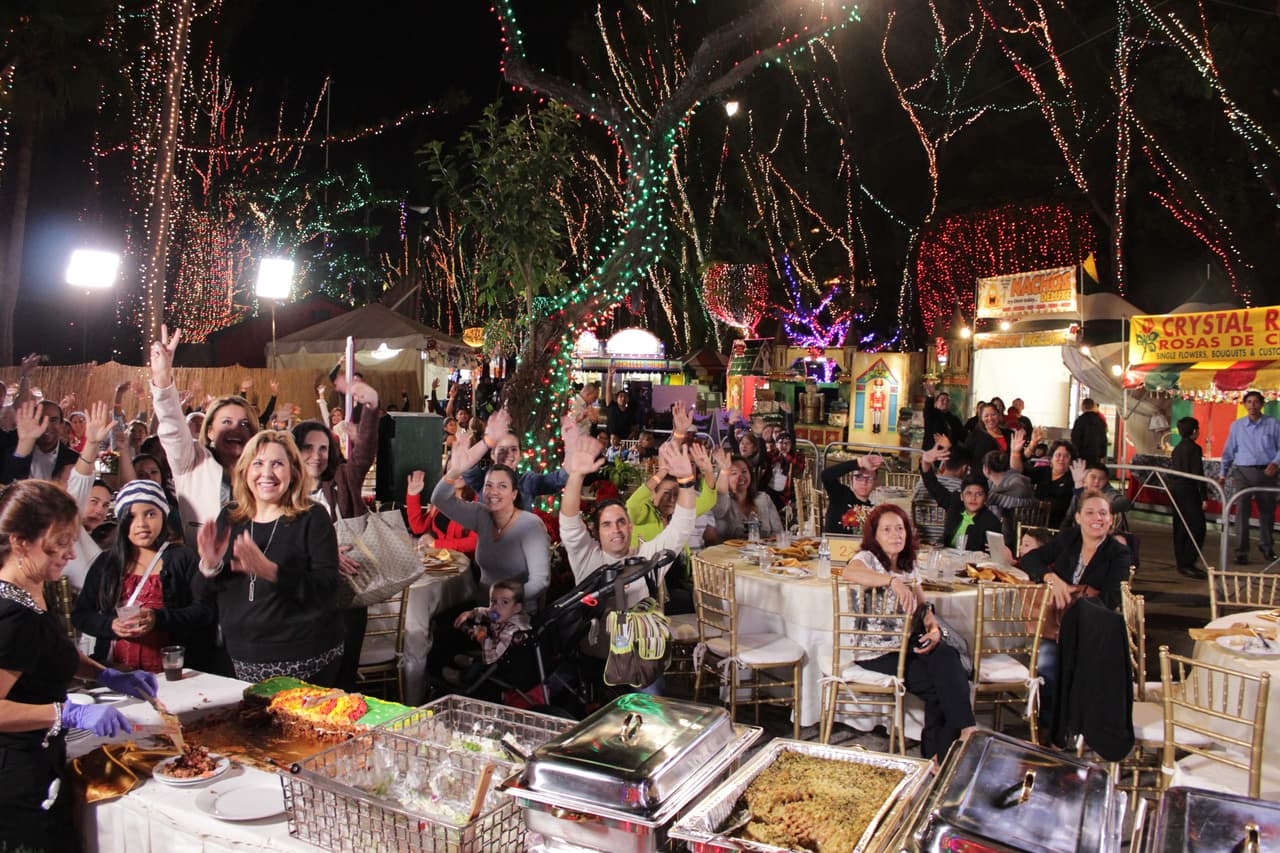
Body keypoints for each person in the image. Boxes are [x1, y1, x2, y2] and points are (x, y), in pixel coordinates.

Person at [0, 480, 158, 852]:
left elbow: (50, 652)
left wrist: (104, 674)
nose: (71, 554)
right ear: (21, 542)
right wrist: (65, 713)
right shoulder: (10, 617)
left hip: (44, 758)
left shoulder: (31, 589)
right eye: (59, 543)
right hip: (17, 776)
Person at [195, 431, 344, 685]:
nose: (267, 473)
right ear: (244, 470)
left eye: (277, 464)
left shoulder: (312, 517)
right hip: (240, 659)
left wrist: (272, 572)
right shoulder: (231, 517)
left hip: (305, 659)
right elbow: (201, 595)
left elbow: (328, 589)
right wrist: (209, 566)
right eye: (258, 463)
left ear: (294, 472)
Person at [839, 504, 977, 763]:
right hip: (875, 650)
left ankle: (941, 753)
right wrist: (892, 581)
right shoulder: (867, 558)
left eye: (900, 528)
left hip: (907, 642)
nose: (895, 535)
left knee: (947, 657)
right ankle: (952, 743)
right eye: (887, 530)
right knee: (944, 683)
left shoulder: (908, 564)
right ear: (875, 535)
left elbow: (924, 607)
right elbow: (850, 571)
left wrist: (934, 629)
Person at [73, 479, 217, 673]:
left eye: (150, 514)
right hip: (118, 670)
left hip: (174, 671)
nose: (141, 524)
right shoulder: (107, 563)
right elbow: (81, 615)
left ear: (163, 516)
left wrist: (158, 618)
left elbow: (205, 611)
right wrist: (111, 625)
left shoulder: (182, 557)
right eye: (131, 517)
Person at [1020, 490, 1131, 732]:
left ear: (1111, 519)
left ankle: (1062, 730)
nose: (1097, 518)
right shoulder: (1069, 539)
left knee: (1059, 661)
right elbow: (1030, 560)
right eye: (1090, 512)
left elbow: (1112, 598)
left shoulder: (1118, 553)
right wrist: (1051, 578)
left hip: (1092, 627)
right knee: (1046, 661)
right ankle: (1047, 729)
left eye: (1103, 513)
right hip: (1057, 624)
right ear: (1079, 517)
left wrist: (1074, 592)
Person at [292, 391, 381, 692]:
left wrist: (370, 407)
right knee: (310, 680)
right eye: (307, 448)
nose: (316, 456)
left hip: (349, 596)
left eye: (323, 448)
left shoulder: (341, 479)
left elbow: (365, 454)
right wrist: (326, 556)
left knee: (345, 675)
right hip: (306, 603)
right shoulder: (279, 494)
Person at [151, 326, 261, 547]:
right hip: (200, 571)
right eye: (226, 422)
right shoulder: (190, 462)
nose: (235, 430)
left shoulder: (262, 470)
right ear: (209, 430)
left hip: (253, 570)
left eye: (244, 424)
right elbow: (172, 426)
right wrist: (162, 380)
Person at [430, 430, 551, 608]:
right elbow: (439, 499)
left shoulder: (531, 525)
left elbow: (540, 581)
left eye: (502, 486)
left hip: (518, 615)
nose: (494, 492)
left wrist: (503, 604)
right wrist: (455, 471)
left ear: (514, 493)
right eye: (489, 485)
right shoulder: (481, 514)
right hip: (480, 610)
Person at [453, 409, 569, 513]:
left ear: (521, 455)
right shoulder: (482, 478)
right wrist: (487, 441)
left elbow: (557, 480)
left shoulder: (527, 481)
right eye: (502, 449)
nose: (508, 454)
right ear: (493, 454)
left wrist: (572, 456)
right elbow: (466, 469)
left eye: (513, 449)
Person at [1218, 390, 1280, 564]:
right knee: (1242, 512)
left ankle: (1266, 546)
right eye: (1249, 402)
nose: (1252, 406)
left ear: (1262, 404)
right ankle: (1241, 551)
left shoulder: (1273, 424)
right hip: (1242, 472)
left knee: (1266, 512)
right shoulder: (1237, 426)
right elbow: (1228, 451)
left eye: (1256, 402)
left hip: (1266, 473)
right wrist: (1223, 473)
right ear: (1244, 405)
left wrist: (1275, 462)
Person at [445, 579, 530, 686]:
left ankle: (462, 678)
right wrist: (471, 613)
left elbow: (492, 656)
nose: (496, 608)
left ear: (517, 607)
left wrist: (481, 636)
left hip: (503, 663)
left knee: (480, 667)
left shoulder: (511, 632)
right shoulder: (510, 613)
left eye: (504, 602)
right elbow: (488, 611)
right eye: (493, 601)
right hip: (501, 652)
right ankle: (472, 660)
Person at [920, 447, 1002, 551]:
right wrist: (925, 462)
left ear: (985, 497)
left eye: (979, 494)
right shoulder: (955, 504)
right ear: (962, 496)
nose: (973, 498)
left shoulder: (991, 522)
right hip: (945, 558)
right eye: (968, 493)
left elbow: (994, 554)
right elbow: (932, 485)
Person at [406, 470, 478, 557]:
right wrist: (413, 495)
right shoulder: (441, 498)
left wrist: (436, 544)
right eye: (453, 469)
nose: (458, 474)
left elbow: (474, 542)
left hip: (461, 564)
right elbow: (418, 528)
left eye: (463, 468)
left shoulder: (479, 502)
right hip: (437, 559)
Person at [1169, 417, 1208, 579]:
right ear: (1194, 431)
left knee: (1181, 527)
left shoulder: (1176, 449)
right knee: (1198, 527)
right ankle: (1188, 562)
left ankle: (1182, 562)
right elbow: (1198, 473)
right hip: (1189, 490)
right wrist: (1204, 496)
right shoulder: (1194, 449)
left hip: (1176, 490)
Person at [1011, 432, 1076, 528]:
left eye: (1066, 456)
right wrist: (1015, 452)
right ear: (1051, 458)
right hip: (1034, 521)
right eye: (1058, 455)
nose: (1061, 459)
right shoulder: (1044, 472)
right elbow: (1019, 470)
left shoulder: (1073, 479)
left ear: (1070, 461)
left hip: (1058, 525)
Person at [713, 454, 783, 540]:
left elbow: (779, 532)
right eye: (734, 473)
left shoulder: (763, 498)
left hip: (764, 551)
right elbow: (718, 514)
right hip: (731, 552)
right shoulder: (722, 502)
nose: (741, 477)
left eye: (744, 471)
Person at [912, 447, 970, 545]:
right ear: (964, 468)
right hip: (947, 543)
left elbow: (912, 509)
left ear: (944, 464)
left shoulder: (921, 484)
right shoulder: (963, 490)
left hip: (920, 539)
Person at [821, 453, 883, 534]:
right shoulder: (840, 494)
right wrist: (859, 462)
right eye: (859, 477)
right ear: (851, 479)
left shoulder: (873, 511)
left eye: (870, 478)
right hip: (832, 545)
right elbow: (826, 475)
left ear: (875, 482)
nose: (864, 482)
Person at [922, 382, 966, 452]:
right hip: (932, 451)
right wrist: (931, 395)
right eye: (942, 400)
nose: (945, 402)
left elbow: (962, 436)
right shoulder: (932, 414)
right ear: (936, 403)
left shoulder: (954, 419)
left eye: (948, 401)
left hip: (949, 453)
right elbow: (928, 408)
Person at [1070, 398, 1109, 465]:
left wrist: (1074, 455)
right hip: (1096, 457)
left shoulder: (1080, 420)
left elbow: (1075, 438)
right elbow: (1104, 439)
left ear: (1083, 407)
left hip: (1082, 458)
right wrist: (1102, 455)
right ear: (1093, 406)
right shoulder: (1100, 421)